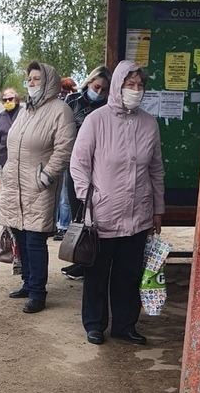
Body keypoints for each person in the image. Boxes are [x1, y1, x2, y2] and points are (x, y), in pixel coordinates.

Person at [70, 60, 164, 345]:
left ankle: (124, 325)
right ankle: (94, 324)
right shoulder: (96, 120)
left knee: (128, 274)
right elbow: (78, 164)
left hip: (138, 215)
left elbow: (156, 170)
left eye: (140, 85)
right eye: (129, 84)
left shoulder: (149, 124)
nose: (135, 90)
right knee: (97, 273)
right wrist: (91, 200)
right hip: (102, 215)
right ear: (118, 87)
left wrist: (158, 209)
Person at [0, 61, 76, 313]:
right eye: (29, 79)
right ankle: (27, 282)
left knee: (34, 240)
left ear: (48, 81)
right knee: (20, 236)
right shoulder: (26, 110)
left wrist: (47, 176)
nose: (31, 83)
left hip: (39, 186)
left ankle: (37, 293)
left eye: (37, 79)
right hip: (16, 184)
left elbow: (64, 149)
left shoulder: (60, 110)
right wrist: (6, 171)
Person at [58, 64, 112, 260]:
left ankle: (91, 256)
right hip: (75, 162)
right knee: (76, 209)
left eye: (104, 89)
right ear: (89, 82)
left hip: (99, 165)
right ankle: (79, 255)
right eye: (96, 87)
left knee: (95, 211)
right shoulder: (72, 101)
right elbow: (62, 130)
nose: (99, 92)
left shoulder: (108, 106)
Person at [0, 87, 21, 169]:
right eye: (5, 100)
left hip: (20, 157)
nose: (7, 101)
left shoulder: (24, 113)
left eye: (10, 99)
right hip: (5, 157)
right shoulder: (2, 116)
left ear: (16, 100)